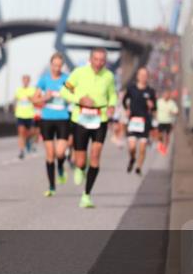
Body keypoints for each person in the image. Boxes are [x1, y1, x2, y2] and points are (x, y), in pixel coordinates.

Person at [60, 47, 117, 209]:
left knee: (96, 154)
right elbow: (64, 91)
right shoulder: (78, 73)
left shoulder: (109, 76)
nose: (99, 63)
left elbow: (112, 94)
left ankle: (86, 195)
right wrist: (80, 99)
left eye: (102, 60)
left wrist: (112, 105)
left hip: (100, 118)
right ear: (90, 59)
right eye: (96, 59)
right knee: (80, 159)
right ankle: (79, 167)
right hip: (80, 119)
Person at [35, 52, 70, 196]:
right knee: (50, 154)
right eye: (55, 65)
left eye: (59, 65)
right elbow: (34, 99)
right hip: (47, 119)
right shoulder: (44, 80)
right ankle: (51, 187)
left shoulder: (67, 79)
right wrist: (45, 97)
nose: (57, 68)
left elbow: (75, 95)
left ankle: (61, 167)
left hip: (63, 118)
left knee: (60, 152)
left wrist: (67, 96)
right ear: (51, 65)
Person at [121, 67, 157, 176]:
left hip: (144, 122)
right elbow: (124, 100)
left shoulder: (150, 91)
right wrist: (126, 109)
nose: (143, 77)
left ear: (148, 77)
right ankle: (132, 158)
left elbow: (155, 107)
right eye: (141, 75)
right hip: (133, 121)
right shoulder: (131, 89)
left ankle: (139, 167)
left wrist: (152, 106)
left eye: (145, 75)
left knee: (142, 149)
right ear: (137, 76)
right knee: (132, 147)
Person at [14, 74, 36, 159]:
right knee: (21, 133)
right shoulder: (18, 90)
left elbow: (36, 100)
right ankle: (21, 151)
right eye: (24, 80)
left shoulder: (33, 90)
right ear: (22, 81)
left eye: (27, 80)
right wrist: (15, 110)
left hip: (30, 114)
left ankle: (28, 141)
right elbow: (15, 100)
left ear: (29, 81)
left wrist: (32, 100)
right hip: (20, 115)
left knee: (31, 133)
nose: (25, 81)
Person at [156, 90, 180, 155]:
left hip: (169, 121)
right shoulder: (159, 102)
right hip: (160, 121)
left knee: (167, 136)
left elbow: (177, 112)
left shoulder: (172, 103)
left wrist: (172, 112)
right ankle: (160, 143)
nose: (166, 96)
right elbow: (155, 109)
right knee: (159, 135)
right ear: (163, 95)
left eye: (167, 95)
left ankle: (164, 148)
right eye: (165, 95)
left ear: (169, 96)